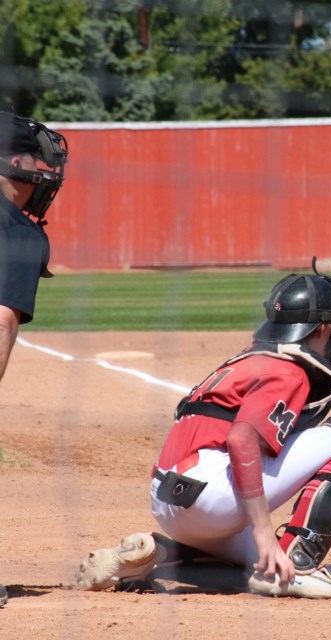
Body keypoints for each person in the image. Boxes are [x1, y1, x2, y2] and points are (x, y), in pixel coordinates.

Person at [76, 268, 331, 599]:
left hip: (170, 505)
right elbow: (242, 439)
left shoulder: (259, 358)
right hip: (213, 499)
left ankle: (161, 555)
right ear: (325, 327)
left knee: (261, 572)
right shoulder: (289, 371)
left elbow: (329, 395)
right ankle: (298, 559)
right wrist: (263, 531)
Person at [0, 111, 69, 608]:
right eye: (41, 161)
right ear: (18, 163)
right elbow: (1, 320)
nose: (48, 173)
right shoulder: (20, 234)